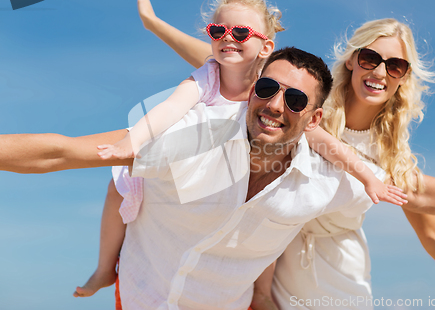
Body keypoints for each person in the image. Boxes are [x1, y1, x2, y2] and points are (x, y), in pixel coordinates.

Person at [131, 0, 435, 308]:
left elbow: (428, 223)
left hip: (339, 273)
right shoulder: (305, 107)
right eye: (370, 58)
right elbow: (235, 65)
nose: (380, 72)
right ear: (353, 61)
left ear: (404, 78)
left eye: (396, 65)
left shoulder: (390, 154)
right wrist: (152, 23)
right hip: (271, 264)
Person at [0, 47, 408, 310]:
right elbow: (62, 151)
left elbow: (417, 194)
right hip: (142, 297)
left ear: (314, 118)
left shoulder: (328, 180)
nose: (275, 105)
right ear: (252, 91)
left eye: (296, 99)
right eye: (267, 88)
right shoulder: (190, 136)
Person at [74, 0, 405, 299]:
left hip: (250, 185)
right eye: (218, 32)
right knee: (119, 184)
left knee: (267, 227)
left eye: (241, 33)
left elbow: (324, 142)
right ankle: (105, 268)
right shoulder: (208, 76)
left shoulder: (270, 88)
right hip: (200, 169)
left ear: (265, 47)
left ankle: (260, 295)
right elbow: (170, 108)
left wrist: (367, 177)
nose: (228, 39)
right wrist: (132, 143)